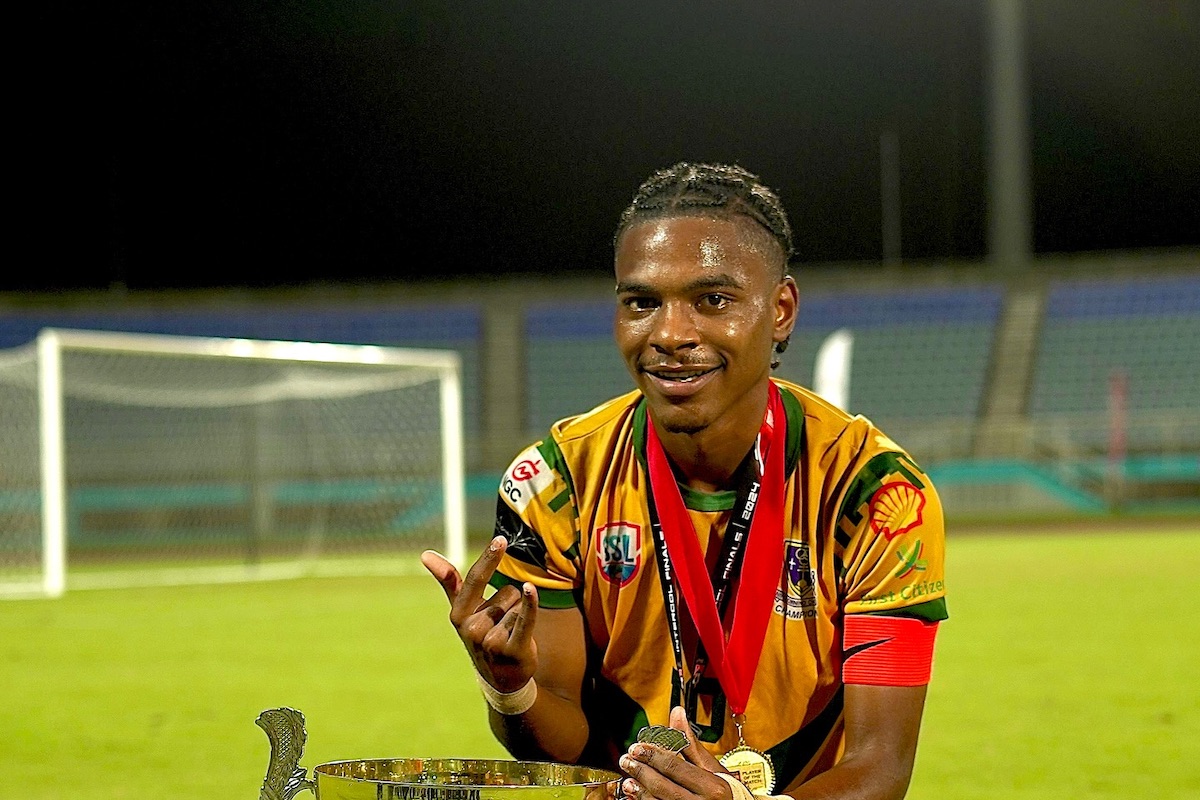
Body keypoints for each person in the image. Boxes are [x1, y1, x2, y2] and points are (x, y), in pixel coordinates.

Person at [423, 162, 947, 800]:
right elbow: (565, 749)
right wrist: (510, 687)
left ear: (780, 310)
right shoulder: (556, 481)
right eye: (641, 303)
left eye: (713, 300)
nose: (669, 334)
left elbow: (881, 767)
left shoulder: (876, 494)